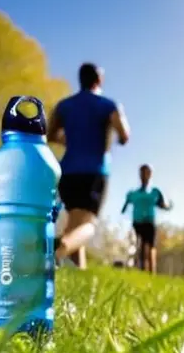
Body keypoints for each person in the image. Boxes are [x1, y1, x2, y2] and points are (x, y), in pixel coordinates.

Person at [47, 63, 130, 270]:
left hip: (67, 172)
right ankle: (58, 247)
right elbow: (124, 135)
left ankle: (80, 272)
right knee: (88, 225)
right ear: (99, 80)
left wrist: (71, 141)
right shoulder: (108, 105)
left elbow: (50, 134)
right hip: (94, 171)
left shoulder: (64, 105)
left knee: (76, 222)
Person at [121, 164, 173, 274]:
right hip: (137, 222)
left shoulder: (155, 192)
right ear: (139, 175)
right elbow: (125, 205)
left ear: (150, 174)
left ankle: (152, 272)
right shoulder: (133, 193)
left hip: (150, 222)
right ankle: (141, 270)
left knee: (150, 246)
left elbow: (162, 205)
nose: (144, 175)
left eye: (147, 172)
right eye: (142, 172)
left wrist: (169, 206)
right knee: (139, 245)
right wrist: (123, 210)